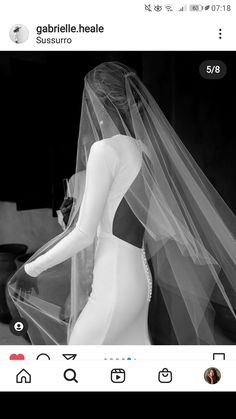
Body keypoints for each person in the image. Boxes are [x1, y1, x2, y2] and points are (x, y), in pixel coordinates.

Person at [8, 61, 236, 345]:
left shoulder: (104, 150)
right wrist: (74, 217)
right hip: (139, 281)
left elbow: (84, 235)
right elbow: (132, 220)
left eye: (88, 99)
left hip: (113, 285)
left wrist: (30, 270)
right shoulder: (143, 151)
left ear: (98, 102)